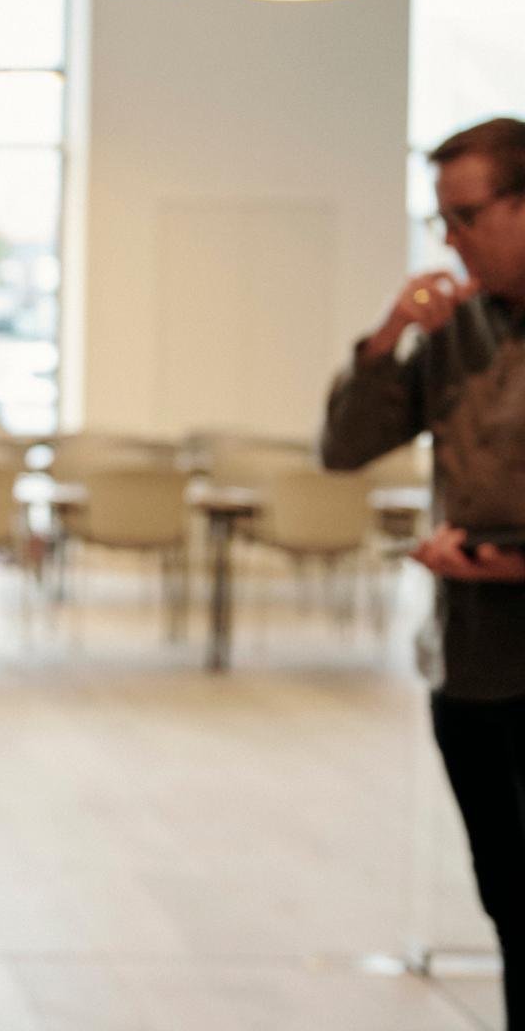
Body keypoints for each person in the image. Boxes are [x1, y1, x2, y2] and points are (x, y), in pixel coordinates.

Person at [322, 115, 525, 1026]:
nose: (449, 238)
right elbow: (346, 446)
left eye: (466, 215)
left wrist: (503, 563)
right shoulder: (453, 326)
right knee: (508, 894)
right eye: (441, 218)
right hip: (472, 660)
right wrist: (389, 333)